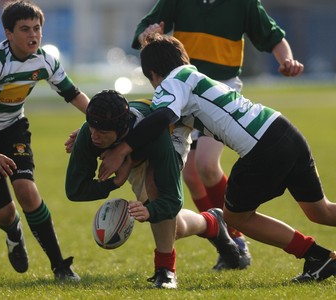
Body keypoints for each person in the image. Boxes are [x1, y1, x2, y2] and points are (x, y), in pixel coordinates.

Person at [98, 34, 336, 283]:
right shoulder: (191, 76)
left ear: (154, 74)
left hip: (261, 147)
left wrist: (121, 150)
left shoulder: (171, 82)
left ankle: (316, 255)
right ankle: (319, 258)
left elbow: (161, 117)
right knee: (321, 212)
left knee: (236, 218)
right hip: (284, 130)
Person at [131, 0, 304, 270]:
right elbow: (145, 29)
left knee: (207, 166)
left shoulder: (243, 4)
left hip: (217, 91)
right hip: (182, 91)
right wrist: (147, 32)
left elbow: (272, 35)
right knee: (190, 174)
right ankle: (224, 240)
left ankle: (237, 238)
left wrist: (287, 61)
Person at [0, 0, 89, 281]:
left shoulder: (45, 60)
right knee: (5, 214)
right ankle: (13, 232)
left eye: (37, 28)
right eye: (25, 29)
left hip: (13, 129)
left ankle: (60, 267)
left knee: (27, 192)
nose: (33, 35)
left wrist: (102, 122)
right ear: (8, 33)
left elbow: (73, 95)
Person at [65, 89, 242, 289]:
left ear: (120, 130)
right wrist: (114, 182)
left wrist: (150, 210)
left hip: (172, 131)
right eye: (91, 129)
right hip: (134, 150)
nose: (95, 137)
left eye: (103, 133)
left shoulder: (157, 136)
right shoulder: (90, 133)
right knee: (171, 227)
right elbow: (75, 190)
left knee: (157, 193)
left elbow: (173, 200)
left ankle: (165, 270)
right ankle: (211, 223)